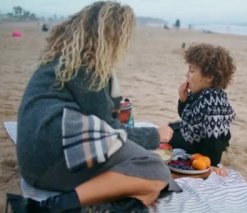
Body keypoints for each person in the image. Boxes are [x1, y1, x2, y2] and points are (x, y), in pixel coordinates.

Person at [16, 1, 180, 212]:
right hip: (51, 161)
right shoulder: (86, 67)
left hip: (34, 160)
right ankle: (51, 207)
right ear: (109, 36)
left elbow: (105, 113)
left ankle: (119, 204)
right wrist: (156, 135)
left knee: (145, 187)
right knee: (155, 170)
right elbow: (111, 130)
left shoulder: (65, 60)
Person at [168, 43, 236, 176]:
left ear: (209, 77)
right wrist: (183, 100)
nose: (187, 74)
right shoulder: (201, 93)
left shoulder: (212, 101)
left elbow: (214, 138)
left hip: (205, 146)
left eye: (192, 71)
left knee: (170, 136)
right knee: (172, 128)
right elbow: (187, 116)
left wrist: (212, 164)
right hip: (199, 137)